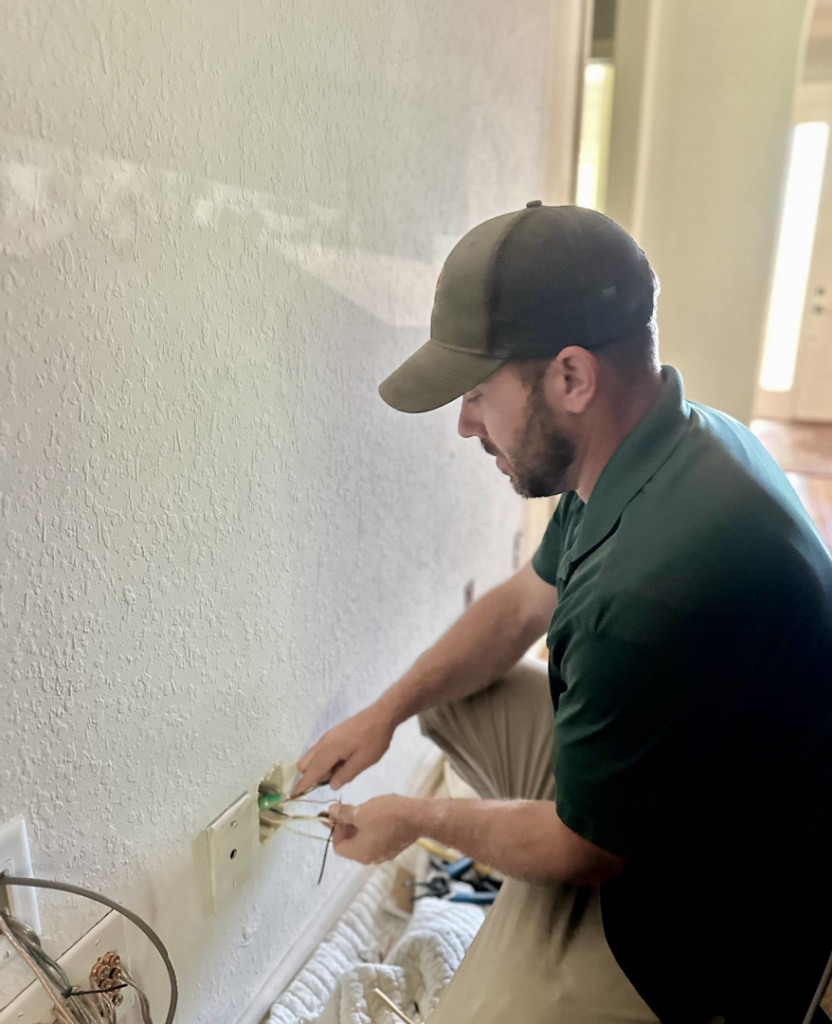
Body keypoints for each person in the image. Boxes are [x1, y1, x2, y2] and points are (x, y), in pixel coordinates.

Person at [292, 202, 832, 1023]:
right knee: (443, 705)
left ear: (571, 378)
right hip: (676, 790)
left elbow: (589, 851)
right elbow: (519, 607)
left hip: (711, 930)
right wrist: (386, 712)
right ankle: (531, 839)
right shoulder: (656, 442)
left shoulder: (649, 589)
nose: (466, 425)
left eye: (477, 393)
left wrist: (421, 819)